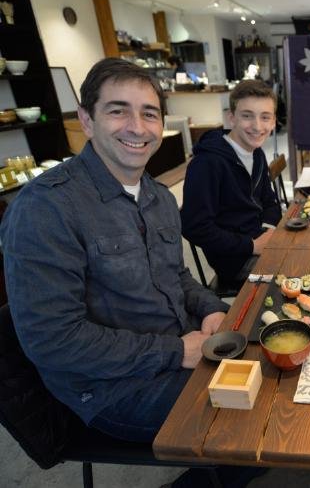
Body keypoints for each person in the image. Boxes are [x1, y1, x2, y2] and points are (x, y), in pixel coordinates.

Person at [0, 58, 265, 487]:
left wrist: (212, 310)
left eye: (149, 113)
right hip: (111, 389)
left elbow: (176, 277)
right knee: (256, 416)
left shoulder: (158, 196)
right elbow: (53, 341)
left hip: (180, 345)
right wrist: (176, 352)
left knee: (273, 364)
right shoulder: (44, 209)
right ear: (86, 120)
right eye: (118, 110)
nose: (137, 127)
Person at [181, 79, 281, 284]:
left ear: (273, 122)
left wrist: (268, 231)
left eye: (265, 117)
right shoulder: (207, 163)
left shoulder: (257, 153)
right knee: (304, 271)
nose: (257, 126)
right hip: (235, 262)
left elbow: (270, 202)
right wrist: (252, 245)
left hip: (259, 243)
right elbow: (194, 226)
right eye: (247, 116)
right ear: (232, 117)